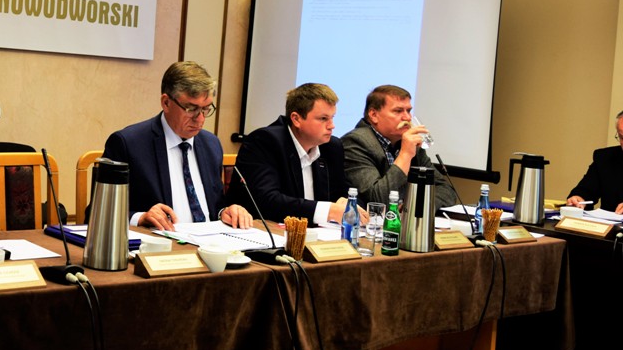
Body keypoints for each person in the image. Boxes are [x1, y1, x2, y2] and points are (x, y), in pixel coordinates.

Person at [103, 61, 252, 230]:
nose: (200, 119)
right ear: (166, 102)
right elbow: (99, 212)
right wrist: (141, 217)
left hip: (209, 241)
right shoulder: (128, 144)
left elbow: (214, 207)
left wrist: (225, 212)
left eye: (206, 109)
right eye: (191, 109)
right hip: (162, 243)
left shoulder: (211, 145)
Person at [234, 83, 360, 225]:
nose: (332, 125)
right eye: (323, 118)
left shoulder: (331, 147)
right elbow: (267, 201)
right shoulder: (265, 142)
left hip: (318, 234)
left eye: (332, 117)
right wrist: (328, 210)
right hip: (266, 231)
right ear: (296, 119)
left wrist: (348, 202)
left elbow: (345, 191)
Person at [341, 85, 456, 207]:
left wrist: (414, 206)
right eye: (398, 111)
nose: (407, 117)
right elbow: (378, 200)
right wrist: (405, 155)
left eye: (408, 111)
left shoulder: (409, 144)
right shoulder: (356, 142)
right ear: (374, 115)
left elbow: (446, 190)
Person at [566, 110, 623, 214]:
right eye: (622, 137)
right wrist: (578, 198)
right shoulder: (605, 158)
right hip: (609, 224)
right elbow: (586, 190)